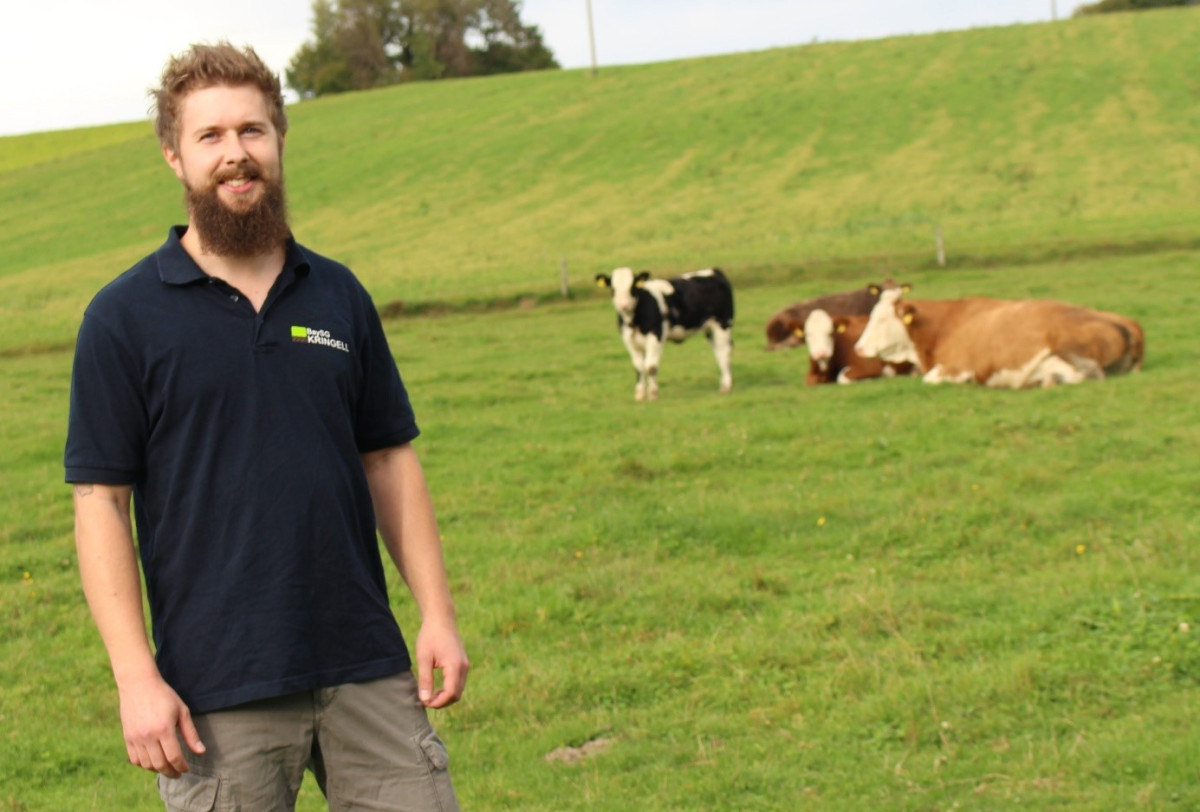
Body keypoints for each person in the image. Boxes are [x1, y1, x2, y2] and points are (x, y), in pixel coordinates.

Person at [64, 42, 468, 811]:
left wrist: (438, 616)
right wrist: (134, 677)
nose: (235, 154)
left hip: (365, 665)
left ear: (280, 141)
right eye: (209, 136)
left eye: (252, 131)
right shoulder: (123, 319)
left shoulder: (338, 295)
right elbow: (100, 505)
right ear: (173, 157)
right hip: (216, 688)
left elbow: (388, 458)